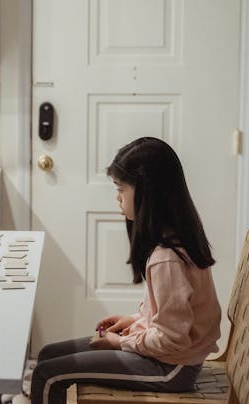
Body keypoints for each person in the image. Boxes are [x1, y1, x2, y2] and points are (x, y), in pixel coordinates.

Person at [29, 137, 222, 404]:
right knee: (48, 355)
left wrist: (120, 343)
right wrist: (134, 321)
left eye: (121, 189)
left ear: (147, 192)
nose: (117, 197)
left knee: (47, 375)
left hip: (171, 368)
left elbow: (172, 340)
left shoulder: (167, 258)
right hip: (169, 356)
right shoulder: (172, 239)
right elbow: (170, 315)